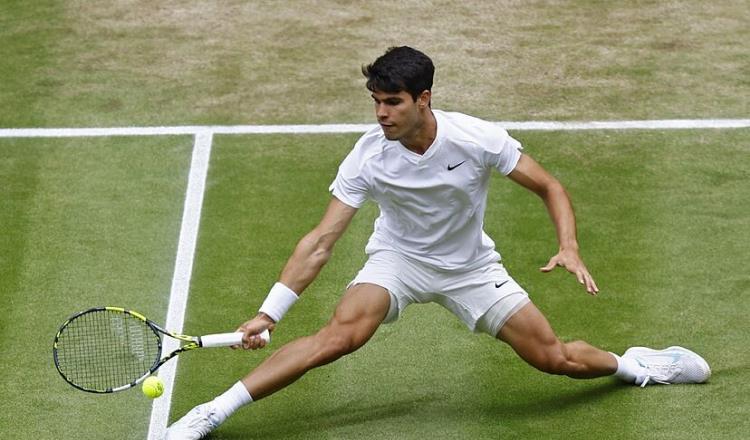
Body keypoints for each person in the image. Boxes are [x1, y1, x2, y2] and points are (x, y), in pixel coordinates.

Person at [165, 46, 710, 439]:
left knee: (555, 358)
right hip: (398, 259)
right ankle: (213, 411)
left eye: (393, 102)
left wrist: (568, 245)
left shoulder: (475, 138)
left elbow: (548, 185)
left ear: (424, 99)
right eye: (376, 102)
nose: (381, 114)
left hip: (470, 266)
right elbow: (323, 239)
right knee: (340, 336)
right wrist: (270, 311)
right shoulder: (368, 155)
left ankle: (636, 365)